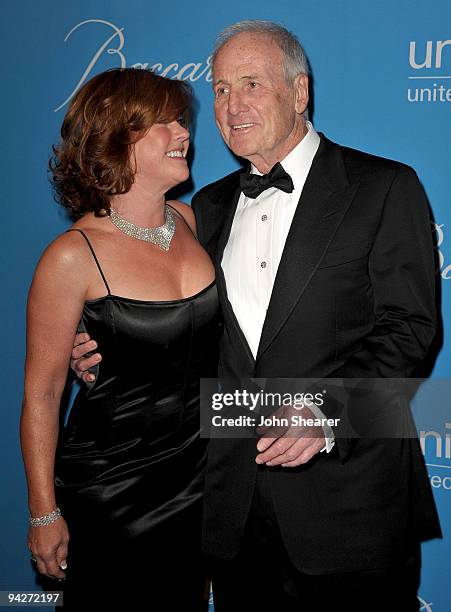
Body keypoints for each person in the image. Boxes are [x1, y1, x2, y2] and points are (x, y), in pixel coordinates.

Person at [71, 21, 442, 611]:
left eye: (250, 84)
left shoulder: (383, 187)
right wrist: (104, 348)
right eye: (219, 89)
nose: (231, 105)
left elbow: (412, 329)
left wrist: (326, 409)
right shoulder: (206, 208)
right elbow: (175, 319)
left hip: (351, 510)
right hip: (231, 511)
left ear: (299, 93)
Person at [20, 67, 218, 610]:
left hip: (198, 479)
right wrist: (44, 510)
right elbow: (42, 395)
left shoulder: (190, 221)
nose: (184, 134)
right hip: (112, 487)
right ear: (117, 136)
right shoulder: (71, 256)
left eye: (181, 121)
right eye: (164, 123)